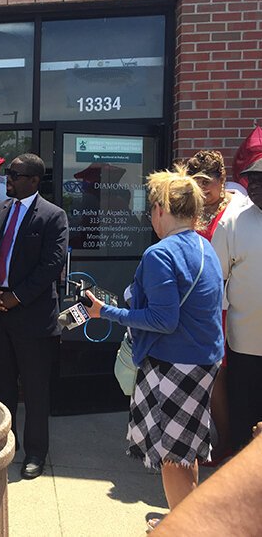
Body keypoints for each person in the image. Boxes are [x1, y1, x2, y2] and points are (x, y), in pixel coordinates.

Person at [85, 168, 224, 531]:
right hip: (202, 361)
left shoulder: (160, 254)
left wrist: (106, 312)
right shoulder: (203, 245)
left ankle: (183, 529)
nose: (150, 216)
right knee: (186, 449)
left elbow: (164, 320)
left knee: (173, 457)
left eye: (151, 209)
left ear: (162, 208)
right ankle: (185, 518)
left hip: (173, 367)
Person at [0, 153, 68, 481]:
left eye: (14, 175)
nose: (8, 180)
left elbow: (51, 266)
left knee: (35, 390)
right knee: (0, 387)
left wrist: (16, 297)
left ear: (33, 180)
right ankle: (4, 447)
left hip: (32, 318)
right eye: (8, 174)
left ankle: (35, 453)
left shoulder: (53, 216)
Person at [174, 150, 248, 464]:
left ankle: (226, 445)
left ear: (221, 179)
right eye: (195, 182)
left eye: (206, 182)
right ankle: (211, 441)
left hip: (227, 307)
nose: (202, 189)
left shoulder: (239, 209)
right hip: (195, 304)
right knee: (203, 377)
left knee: (218, 378)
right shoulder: (193, 208)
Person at [211, 158, 262, 454]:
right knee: (245, 406)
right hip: (245, 340)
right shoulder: (233, 222)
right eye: (250, 180)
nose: (252, 186)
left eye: (259, 180)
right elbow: (217, 279)